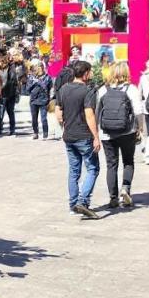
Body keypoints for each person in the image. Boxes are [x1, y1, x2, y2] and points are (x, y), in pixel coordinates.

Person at [54, 60, 101, 219]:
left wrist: (65, 126)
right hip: (84, 136)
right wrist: (96, 136)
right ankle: (83, 201)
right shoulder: (88, 91)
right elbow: (89, 115)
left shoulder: (63, 89)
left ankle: (73, 205)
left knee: (74, 171)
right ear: (86, 73)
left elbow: (58, 114)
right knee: (93, 169)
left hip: (69, 136)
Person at [95, 62, 142, 210]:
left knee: (111, 164)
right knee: (128, 161)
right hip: (127, 131)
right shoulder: (131, 89)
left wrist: (96, 132)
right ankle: (125, 188)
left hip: (107, 133)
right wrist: (139, 128)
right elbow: (138, 111)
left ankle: (113, 198)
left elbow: (98, 112)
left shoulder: (103, 90)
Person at [0, 51, 24, 136]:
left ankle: (12, 129)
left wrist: (16, 93)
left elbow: (14, 81)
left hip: (10, 94)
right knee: (1, 112)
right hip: (2, 94)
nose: (1, 63)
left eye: (2, 61)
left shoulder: (11, 69)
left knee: (10, 112)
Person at [24, 60, 53, 139]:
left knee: (43, 118)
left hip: (44, 100)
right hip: (33, 100)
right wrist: (34, 82)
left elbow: (49, 88)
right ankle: (35, 133)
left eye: (40, 67)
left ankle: (45, 133)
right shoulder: (31, 78)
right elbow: (27, 89)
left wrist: (40, 82)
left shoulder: (47, 77)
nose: (39, 69)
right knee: (34, 118)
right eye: (37, 67)